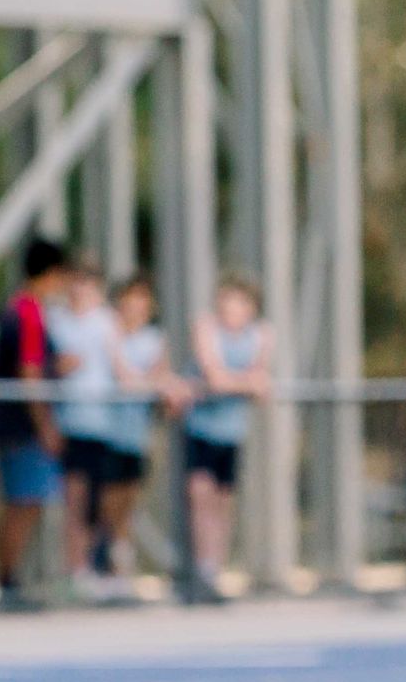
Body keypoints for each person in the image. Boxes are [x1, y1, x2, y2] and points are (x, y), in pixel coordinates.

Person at [85, 276, 182, 599]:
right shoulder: (108, 333)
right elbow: (127, 378)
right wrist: (146, 382)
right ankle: (98, 567)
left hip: (136, 437)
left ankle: (119, 571)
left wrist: (148, 383)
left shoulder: (154, 339)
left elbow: (157, 377)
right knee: (105, 504)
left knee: (127, 504)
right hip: (106, 434)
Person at [0, 240, 68, 610]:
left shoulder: (14, 308)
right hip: (22, 427)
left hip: (9, 423)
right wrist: (45, 426)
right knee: (22, 503)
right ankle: (8, 581)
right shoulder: (30, 312)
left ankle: (11, 579)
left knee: (23, 502)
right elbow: (30, 373)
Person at [183, 276, 270, 599]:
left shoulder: (261, 335)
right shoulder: (206, 328)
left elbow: (257, 386)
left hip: (231, 433)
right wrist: (243, 383)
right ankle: (201, 570)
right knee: (199, 495)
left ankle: (214, 570)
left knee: (222, 503)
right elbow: (217, 378)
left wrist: (231, 382)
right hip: (201, 430)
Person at [46, 256, 118, 596]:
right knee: (74, 499)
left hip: (101, 423)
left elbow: (120, 367)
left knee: (99, 500)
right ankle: (75, 568)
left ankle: (96, 565)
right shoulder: (56, 320)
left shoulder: (106, 322)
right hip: (69, 422)